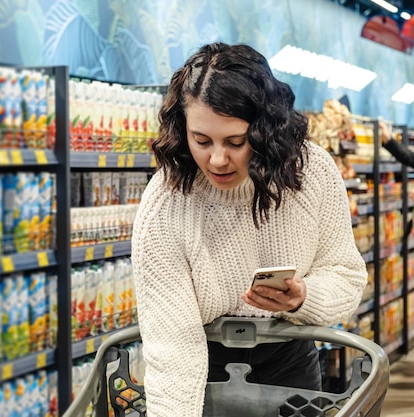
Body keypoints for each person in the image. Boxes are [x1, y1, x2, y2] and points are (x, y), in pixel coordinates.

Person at [130, 42, 368, 416]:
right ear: (183, 129)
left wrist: (303, 297)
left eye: (236, 142)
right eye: (202, 141)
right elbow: (172, 346)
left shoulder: (312, 174)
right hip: (201, 374)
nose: (218, 159)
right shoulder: (167, 200)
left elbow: (347, 277)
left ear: (265, 130)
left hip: (291, 366)